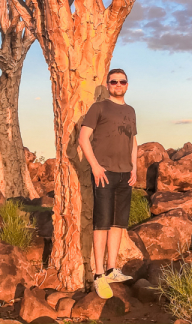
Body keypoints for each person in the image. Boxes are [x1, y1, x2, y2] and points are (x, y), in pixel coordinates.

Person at [78, 68, 138, 299]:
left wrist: (134, 167)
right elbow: (83, 137)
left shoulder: (131, 111)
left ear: (127, 84)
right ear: (108, 84)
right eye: (114, 82)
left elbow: (133, 141)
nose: (118, 85)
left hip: (125, 174)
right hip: (104, 172)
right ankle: (99, 275)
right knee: (101, 224)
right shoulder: (99, 107)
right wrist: (94, 165)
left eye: (122, 81)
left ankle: (112, 269)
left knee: (117, 224)